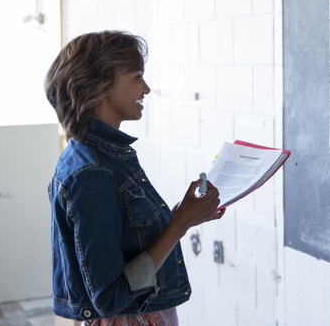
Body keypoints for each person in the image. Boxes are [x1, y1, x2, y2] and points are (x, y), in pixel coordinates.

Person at [44, 30, 224, 325]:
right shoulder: (92, 173)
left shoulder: (103, 154)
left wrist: (184, 215)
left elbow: (128, 239)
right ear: (100, 84)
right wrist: (179, 225)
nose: (147, 89)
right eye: (137, 77)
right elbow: (111, 297)